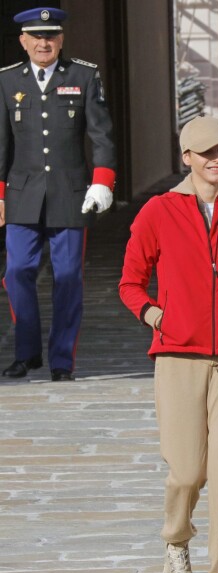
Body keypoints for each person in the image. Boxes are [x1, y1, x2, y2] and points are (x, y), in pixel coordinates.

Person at [119, 115, 218, 573]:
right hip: (176, 356)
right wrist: (157, 317)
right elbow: (130, 282)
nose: (217, 159)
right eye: (207, 152)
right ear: (186, 157)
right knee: (187, 469)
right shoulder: (158, 212)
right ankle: (175, 540)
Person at [0, 7, 116, 381]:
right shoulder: (6, 81)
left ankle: (62, 360)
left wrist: (103, 182)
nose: (43, 42)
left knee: (67, 278)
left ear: (61, 40)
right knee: (17, 271)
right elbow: (1, 144)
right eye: (35, 36)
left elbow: (101, 134)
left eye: (50, 36)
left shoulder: (83, 75)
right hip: (22, 194)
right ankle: (27, 351)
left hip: (69, 194)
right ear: (23, 41)